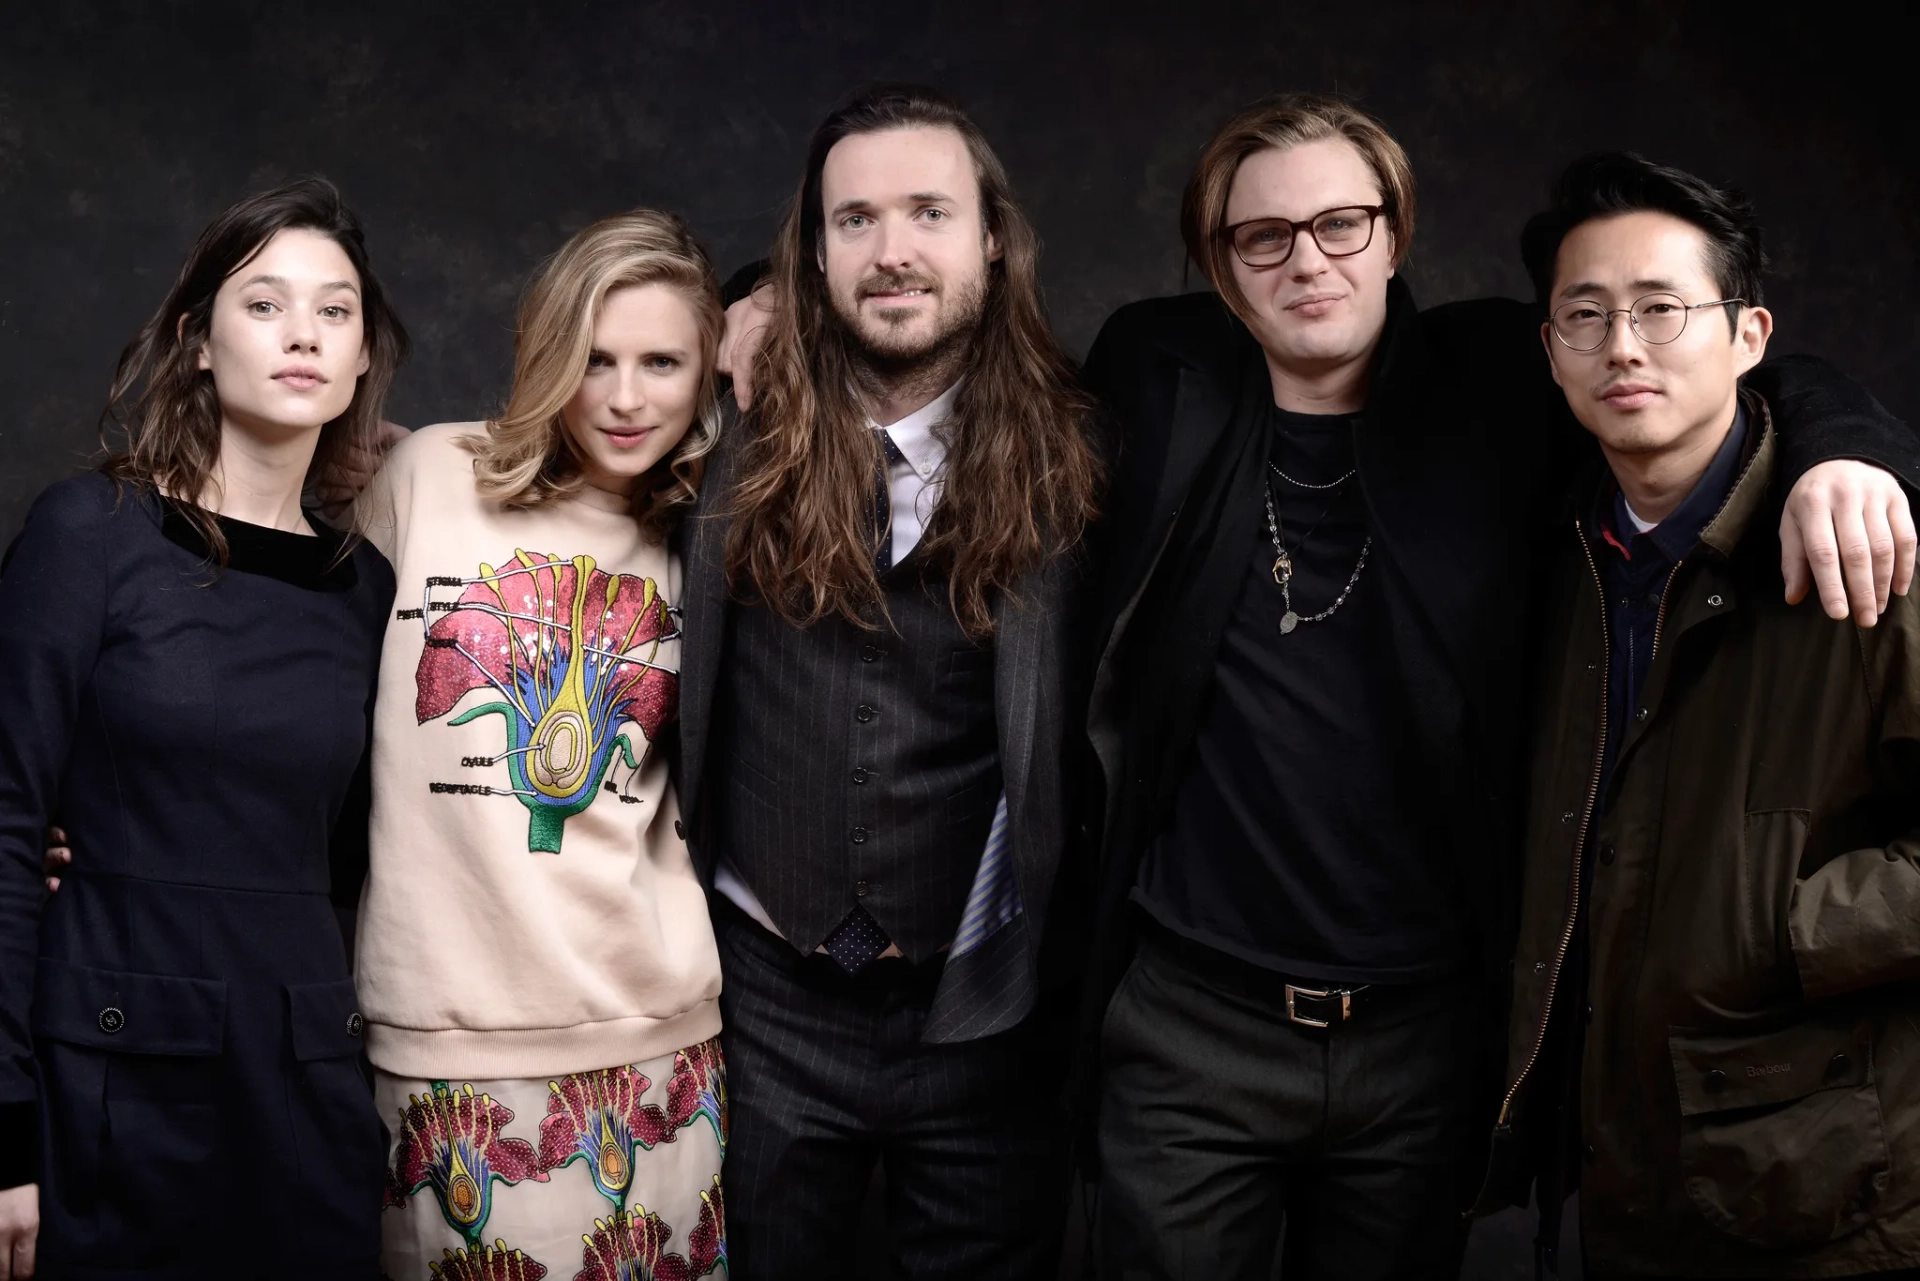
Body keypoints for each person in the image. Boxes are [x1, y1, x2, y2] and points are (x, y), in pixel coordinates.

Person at [1071, 97, 1917, 1280]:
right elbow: (957, 361)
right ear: (1219, 264)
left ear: (1397, 230)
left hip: (1425, 1033)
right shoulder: (1154, 371)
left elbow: (1699, 352)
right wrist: (756, 299)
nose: (1306, 259)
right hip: (1190, 1021)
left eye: (1341, 224)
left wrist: (1846, 450)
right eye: (1261, 236)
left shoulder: (1497, 383)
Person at [682, 83, 1101, 1278]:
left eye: (928, 211)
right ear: (810, 259)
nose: (893, 250)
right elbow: (564, 423)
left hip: (989, 1009)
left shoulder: (1087, 455)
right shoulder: (718, 436)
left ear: (994, 238)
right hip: (760, 999)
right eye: (854, 220)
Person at [1480, 152, 1920, 1280]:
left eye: (1662, 309)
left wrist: (1788, 925)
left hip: (1828, 1188)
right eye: (1586, 314)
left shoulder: (1868, 548)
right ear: (1551, 349)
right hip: (1623, 1168)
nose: (1623, 347)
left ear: (1751, 334)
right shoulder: (1554, 551)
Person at [0, 178, 408, 1279]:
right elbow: (3, 825)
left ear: (365, 355)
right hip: (115, 1082)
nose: (303, 336)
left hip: (304, 1085)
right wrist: (2, 1129)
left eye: (335, 311)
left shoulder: (367, 586)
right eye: (265, 304)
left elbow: (350, 861)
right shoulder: (91, 532)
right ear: (195, 341)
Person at [351, 209, 728, 1280]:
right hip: (444, 1042)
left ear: (707, 373)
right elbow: (276, 659)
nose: (623, 397)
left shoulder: (707, 533)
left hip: (654, 1038)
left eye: (662, 362)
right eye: (593, 358)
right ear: (545, 352)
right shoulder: (427, 474)